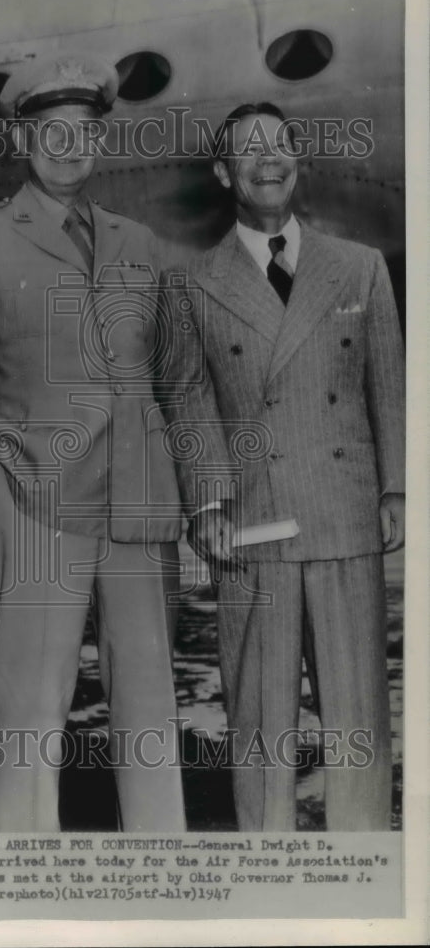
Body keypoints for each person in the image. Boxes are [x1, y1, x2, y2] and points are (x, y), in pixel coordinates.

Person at [0, 53, 231, 832]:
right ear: (23, 137)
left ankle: (157, 883)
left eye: (83, 131)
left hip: (139, 508)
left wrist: (206, 491)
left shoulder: (139, 244)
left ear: (99, 140)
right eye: (50, 130)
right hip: (34, 510)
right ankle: (25, 890)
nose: (68, 146)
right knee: (28, 711)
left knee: (151, 711)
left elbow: (182, 382)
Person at [189, 101, 404, 830]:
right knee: (257, 728)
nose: (267, 159)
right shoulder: (192, 284)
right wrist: (207, 507)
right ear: (224, 174)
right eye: (247, 151)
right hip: (254, 526)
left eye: (278, 144)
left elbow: (390, 388)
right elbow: (190, 406)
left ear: (295, 159)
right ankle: (265, 882)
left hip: (343, 515)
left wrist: (397, 487)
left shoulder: (359, 267)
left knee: (358, 726)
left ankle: (362, 876)